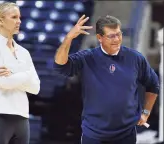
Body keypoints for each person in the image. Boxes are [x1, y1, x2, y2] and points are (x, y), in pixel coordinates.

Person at [53, 15, 160, 144]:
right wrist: (68, 38)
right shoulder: (88, 57)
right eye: (111, 36)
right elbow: (60, 65)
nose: (116, 40)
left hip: (126, 135)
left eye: (118, 34)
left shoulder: (135, 58)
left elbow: (153, 84)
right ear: (99, 38)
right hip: (93, 135)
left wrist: (146, 112)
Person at [0, 2, 40, 144]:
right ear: (0, 20)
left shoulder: (24, 52)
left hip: (22, 117)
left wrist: (14, 72)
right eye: (14, 17)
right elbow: (5, 82)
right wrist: (26, 73)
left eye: (19, 17)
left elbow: (35, 87)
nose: (19, 21)